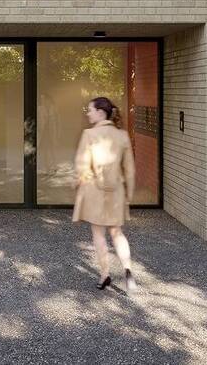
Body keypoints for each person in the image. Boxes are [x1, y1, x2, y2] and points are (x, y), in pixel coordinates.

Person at [72, 97, 137, 292]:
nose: (88, 113)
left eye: (90, 110)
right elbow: (130, 169)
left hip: (95, 191)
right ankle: (128, 271)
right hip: (116, 191)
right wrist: (129, 194)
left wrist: (77, 182)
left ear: (101, 113)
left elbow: (82, 165)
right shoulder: (122, 135)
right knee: (117, 232)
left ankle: (105, 275)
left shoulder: (89, 134)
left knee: (98, 234)